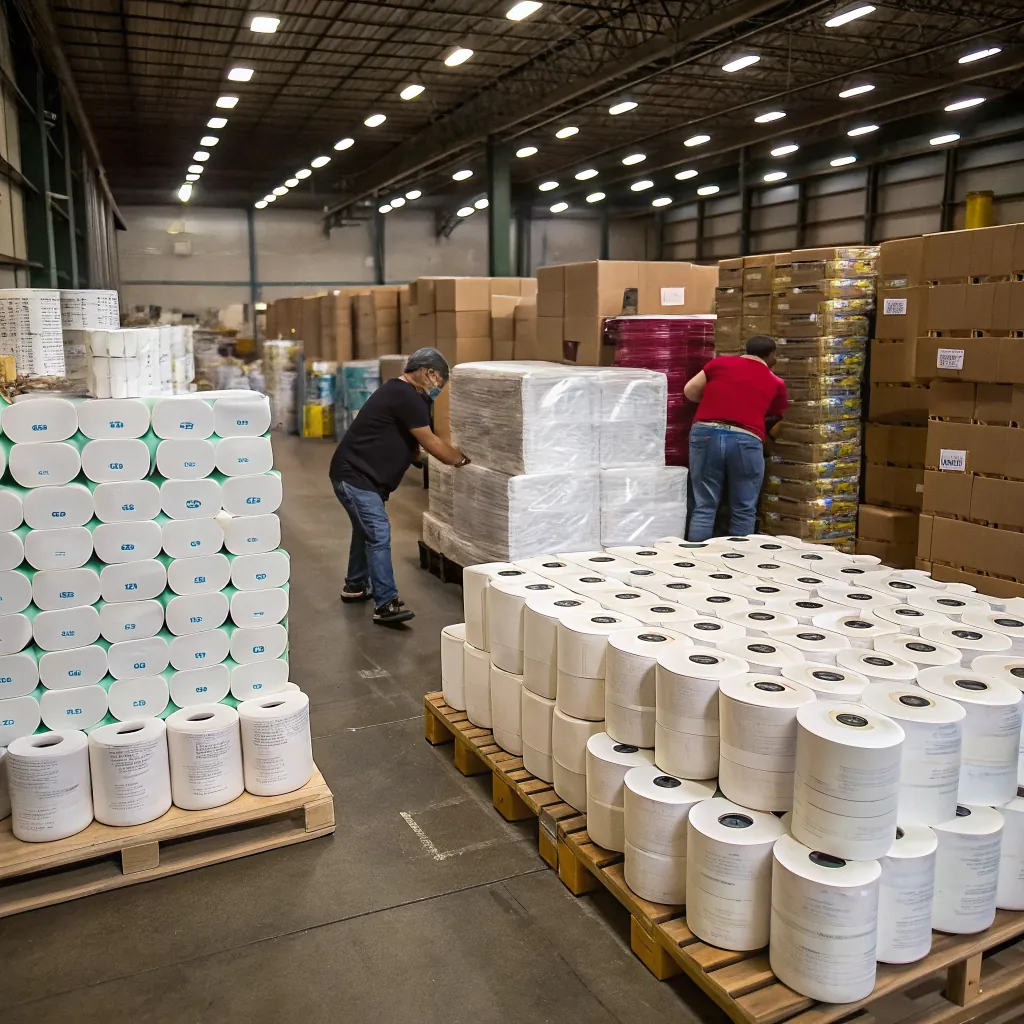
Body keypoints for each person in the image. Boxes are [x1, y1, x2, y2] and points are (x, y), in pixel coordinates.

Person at [329, 348, 469, 626]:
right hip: (356, 476)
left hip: (361, 477)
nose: (439, 389)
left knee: (365, 530)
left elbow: (402, 435)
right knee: (378, 533)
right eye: (440, 382)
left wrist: (411, 455)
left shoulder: (400, 392)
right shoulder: (407, 395)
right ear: (429, 373)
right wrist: (460, 460)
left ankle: (355, 586)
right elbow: (429, 440)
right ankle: (386, 604)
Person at [682, 335, 788, 541]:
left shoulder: (718, 363)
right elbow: (775, 417)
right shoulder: (776, 382)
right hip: (746, 438)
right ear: (771, 355)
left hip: (705, 433)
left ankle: (694, 559)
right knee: (744, 507)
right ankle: (738, 561)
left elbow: (690, 391)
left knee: (704, 505)